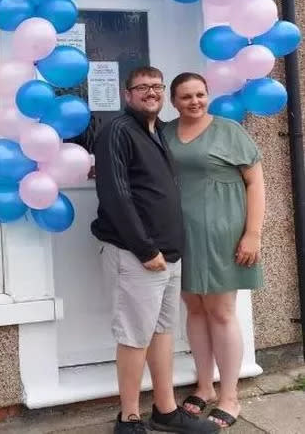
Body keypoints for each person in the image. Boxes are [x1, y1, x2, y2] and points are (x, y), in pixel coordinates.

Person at [92, 66, 217, 434]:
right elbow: (115, 195)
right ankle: (128, 418)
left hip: (167, 255)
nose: (151, 92)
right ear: (126, 93)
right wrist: (145, 249)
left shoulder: (158, 131)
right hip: (137, 255)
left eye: (157, 87)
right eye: (142, 87)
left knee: (162, 333)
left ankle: (165, 409)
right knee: (134, 335)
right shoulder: (117, 130)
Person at [164, 72, 265, 429]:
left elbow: (255, 181)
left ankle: (230, 396)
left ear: (208, 96)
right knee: (194, 307)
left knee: (221, 311)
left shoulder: (229, 130)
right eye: (186, 97)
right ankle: (204, 386)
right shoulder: (165, 132)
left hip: (225, 234)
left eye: (200, 95)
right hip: (183, 234)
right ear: (173, 101)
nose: (194, 101)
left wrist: (252, 233)